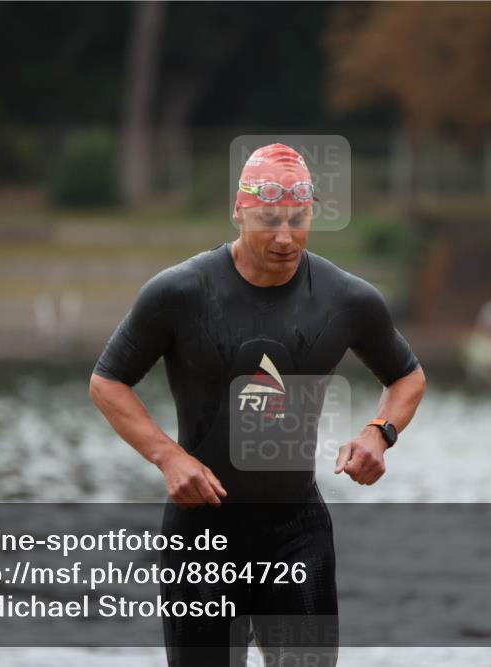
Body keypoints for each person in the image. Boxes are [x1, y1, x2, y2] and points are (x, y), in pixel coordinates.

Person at [90, 143, 426, 665]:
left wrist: (378, 432)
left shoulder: (346, 299)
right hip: (202, 534)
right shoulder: (181, 292)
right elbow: (108, 382)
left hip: (297, 533)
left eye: (298, 219)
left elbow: (406, 376)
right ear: (239, 211)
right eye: (269, 220)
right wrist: (168, 456)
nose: (286, 237)